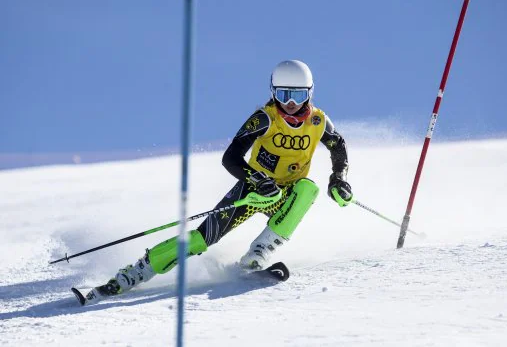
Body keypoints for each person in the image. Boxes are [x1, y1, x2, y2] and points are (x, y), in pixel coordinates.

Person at [82, 60, 353, 304]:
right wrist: (256, 179)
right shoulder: (265, 118)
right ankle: (134, 274)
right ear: (273, 92)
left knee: (308, 189)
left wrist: (338, 178)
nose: (290, 103)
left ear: (310, 93)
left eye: (297, 95)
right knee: (201, 239)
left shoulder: (318, 120)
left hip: (286, 195)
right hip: (254, 192)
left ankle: (259, 253)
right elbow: (231, 157)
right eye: (283, 95)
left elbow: (338, 145)